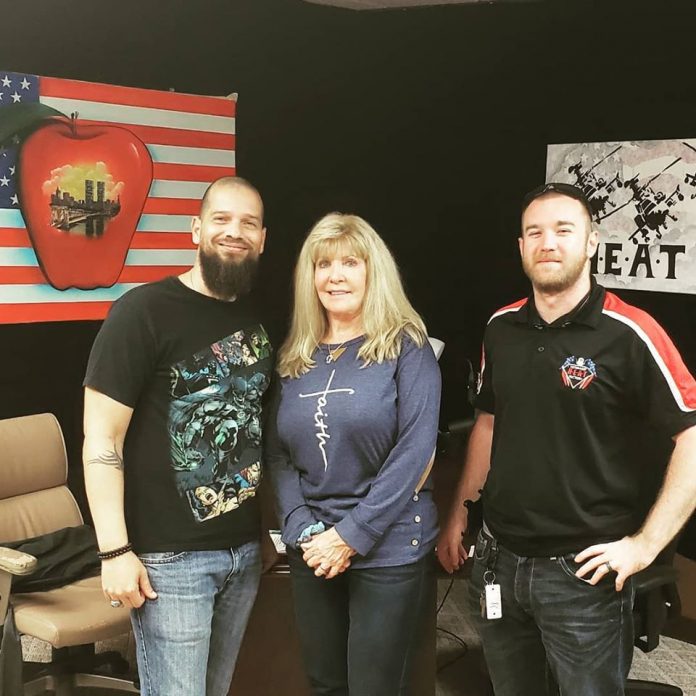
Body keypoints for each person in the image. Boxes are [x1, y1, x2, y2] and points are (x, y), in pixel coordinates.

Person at [437, 182, 696, 696]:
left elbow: (692, 434)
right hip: (498, 559)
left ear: (592, 242)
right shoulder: (501, 327)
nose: (548, 243)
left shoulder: (631, 332)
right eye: (535, 232)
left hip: (581, 574)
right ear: (520, 246)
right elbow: (488, 423)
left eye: (563, 230)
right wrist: (459, 512)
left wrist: (645, 546)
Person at [83, 176, 274, 696]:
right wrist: (113, 551)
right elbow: (102, 439)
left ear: (261, 240)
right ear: (195, 229)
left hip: (243, 553)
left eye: (248, 223)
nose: (234, 232)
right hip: (170, 561)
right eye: (221, 219)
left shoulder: (262, 320)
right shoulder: (142, 312)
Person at [266, 213, 441, 696]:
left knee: (373, 687)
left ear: (373, 271)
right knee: (325, 684)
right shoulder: (294, 355)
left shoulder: (408, 346)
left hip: (388, 545)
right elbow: (277, 454)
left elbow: (416, 450)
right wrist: (302, 527)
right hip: (314, 546)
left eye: (350, 262)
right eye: (323, 264)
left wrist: (352, 534)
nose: (335, 276)